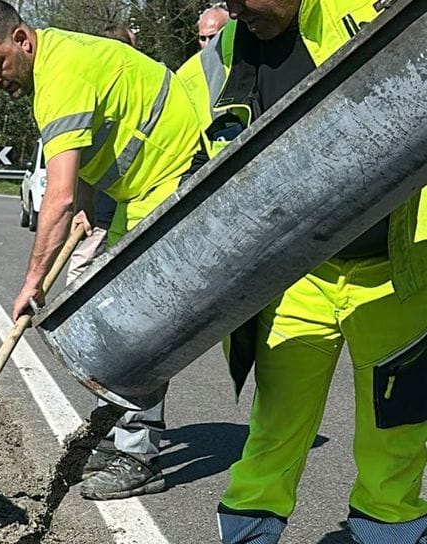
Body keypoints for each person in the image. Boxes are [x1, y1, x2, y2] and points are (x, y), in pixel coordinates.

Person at [179, 0, 427, 542]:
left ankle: (390, 532)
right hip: (296, 274)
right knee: (274, 426)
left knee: (398, 427)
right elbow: (185, 144)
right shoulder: (223, 50)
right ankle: (248, 532)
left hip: (398, 269)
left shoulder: (372, 13)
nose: (237, 8)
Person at [0, 0, 202, 501]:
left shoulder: (59, 78)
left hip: (170, 180)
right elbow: (95, 142)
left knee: (136, 325)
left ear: (22, 39)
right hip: (140, 189)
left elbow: (58, 195)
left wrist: (32, 281)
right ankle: (122, 430)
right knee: (105, 317)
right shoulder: (58, 61)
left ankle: (138, 455)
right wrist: (92, 203)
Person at [59, 23, 171, 502]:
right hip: (105, 224)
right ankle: (115, 427)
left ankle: (138, 454)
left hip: (142, 214)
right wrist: (81, 213)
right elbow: (77, 165)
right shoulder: (83, 91)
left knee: (138, 338)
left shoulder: (146, 91)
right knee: (98, 335)